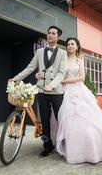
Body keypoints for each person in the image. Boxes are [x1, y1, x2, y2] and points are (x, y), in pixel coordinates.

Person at [55, 37, 102, 164]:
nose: (70, 46)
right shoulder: (63, 59)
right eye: (68, 44)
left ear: (77, 46)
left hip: (77, 90)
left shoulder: (79, 59)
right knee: (67, 119)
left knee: (83, 119)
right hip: (64, 91)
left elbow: (82, 78)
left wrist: (65, 81)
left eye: (72, 44)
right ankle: (70, 148)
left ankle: (89, 149)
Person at [11, 26, 68, 157]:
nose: (50, 35)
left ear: (58, 37)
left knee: (61, 119)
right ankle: (47, 146)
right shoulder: (39, 51)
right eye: (49, 33)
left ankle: (65, 145)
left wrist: (52, 85)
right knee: (45, 120)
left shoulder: (62, 53)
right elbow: (29, 68)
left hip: (56, 91)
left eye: (53, 33)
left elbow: (61, 73)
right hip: (42, 90)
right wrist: (15, 78)